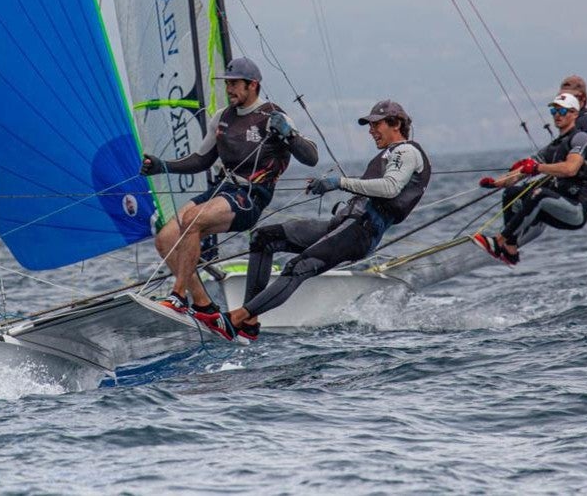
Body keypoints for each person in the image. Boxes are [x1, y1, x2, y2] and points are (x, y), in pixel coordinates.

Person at [195, 100, 430, 341]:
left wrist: (338, 182)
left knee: (298, 268)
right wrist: (335, 195)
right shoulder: (389, 154)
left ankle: (236, 318)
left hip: (360, 232)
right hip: (343, 225)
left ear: (396, 124)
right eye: (369, 125)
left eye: (376, 124)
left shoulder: (406, 151)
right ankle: (249, 320)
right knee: (264, 237)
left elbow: (390, 188)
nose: (370, 130)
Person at [140, 57, 319, 316]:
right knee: (165, 238)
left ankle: (178, 296)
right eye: (227, 84)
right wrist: (162, 165)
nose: (229, 89)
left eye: (235, 84)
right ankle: (203, 304)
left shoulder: (272, 115)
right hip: (222, 189)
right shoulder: (221, 118)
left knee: (192, 219)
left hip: (251, 195)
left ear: (252, 85)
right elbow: (201, 159)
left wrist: (288, 134)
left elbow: (311, 158)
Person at [473, 93, 587, 265]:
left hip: (576, 210)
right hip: (557, 206)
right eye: (553, 110)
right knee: (512, 193)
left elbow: (570, 169)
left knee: (539, 194)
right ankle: (510, 248)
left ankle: (499, 241)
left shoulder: (581, 139)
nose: (557, 114)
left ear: (574, 114)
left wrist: (537, 168)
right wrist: (497, 183)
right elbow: (522, 171)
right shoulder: (554, 147)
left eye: (562, 111)